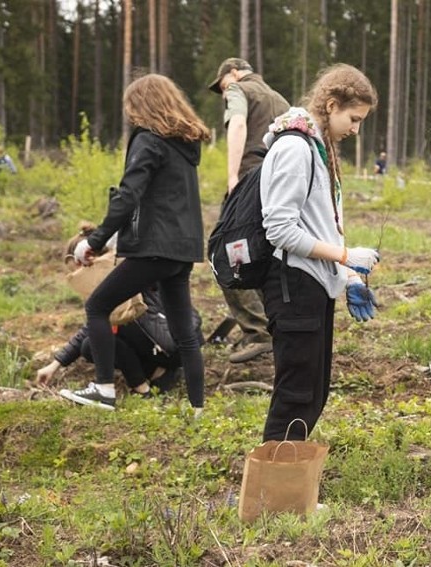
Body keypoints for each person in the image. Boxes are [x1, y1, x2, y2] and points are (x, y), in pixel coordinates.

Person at [60, 74, 208, 413]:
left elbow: (128, 196)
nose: (130, 114)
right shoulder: (184, 145)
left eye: (131, 107)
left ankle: (104, 390)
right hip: (182, 250)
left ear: (142, 105)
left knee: (97, 306)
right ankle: (198, 409)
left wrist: (95, 241)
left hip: (153, 247)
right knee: (184, 332)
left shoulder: (148, 140)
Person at [258, 63, 380, 441]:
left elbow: (318, 224)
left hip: (313, 284)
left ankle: (287, 490)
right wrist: (344, 256)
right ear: (331, 105)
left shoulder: (317, 147)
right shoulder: (296, 148)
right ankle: (271, 495)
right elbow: (279, 229)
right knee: (296, 394)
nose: (356, 129)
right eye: (354, 118)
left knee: (312, 393)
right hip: (293, 285)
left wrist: (346, 276)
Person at [40, 226, 199, 394]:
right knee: (90, 344)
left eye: (80, 273)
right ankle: (155, 373)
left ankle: (143, 387)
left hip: (173, 343)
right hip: (168, 340)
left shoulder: (125, 271)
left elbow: (95, 326)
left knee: (106, 328)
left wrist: (56, 363)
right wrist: (56, 363)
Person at [209, 57, 291, 364]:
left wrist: (233, 176)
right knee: (269, 257)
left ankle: (258, 333)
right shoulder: (281, 99)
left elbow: (239, 124)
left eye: (222, 87)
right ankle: (278, 328)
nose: (224, 93)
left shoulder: (238, 89)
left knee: (227, 256)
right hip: (279, 185)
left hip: (249, 185)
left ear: (231, 73)